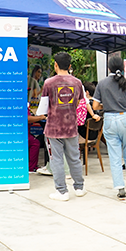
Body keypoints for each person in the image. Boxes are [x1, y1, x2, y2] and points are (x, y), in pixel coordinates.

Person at [39, 52, 87, 201]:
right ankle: (79, 188)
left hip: (53, 128)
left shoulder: (48, 83)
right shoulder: (77, 82)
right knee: (74, 158)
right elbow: (80, 102)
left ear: (55, 65)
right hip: (71, 127)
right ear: (70, 66)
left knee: (57, 160)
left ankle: (61, 191)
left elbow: (43, 108)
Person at [93, 56, 126, 199]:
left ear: (109, 68)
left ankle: (120, 189)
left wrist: (106, 105)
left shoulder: (102, 83)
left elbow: (95, 106)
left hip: (109, 120)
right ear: (124, 67)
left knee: (114, 156)